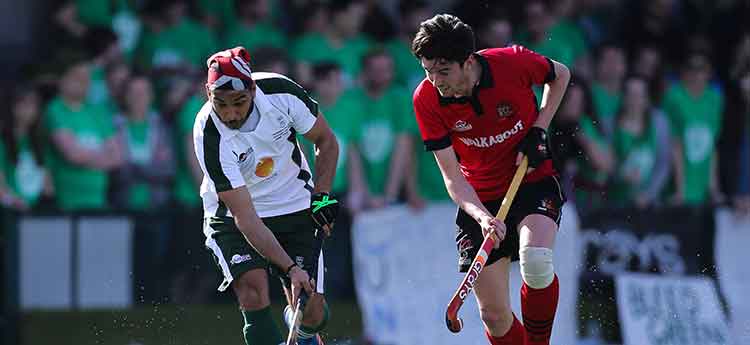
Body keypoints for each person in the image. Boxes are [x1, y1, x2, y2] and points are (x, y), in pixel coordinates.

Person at [411, 14, 570, 345]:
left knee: (537, 262)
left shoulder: (512, 63)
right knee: (494, 317)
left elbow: (560, 76)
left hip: (530, 180)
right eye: (428, 71)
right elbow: (453, 178)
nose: (435, 81)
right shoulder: (426, 99)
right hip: (479, 199)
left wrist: (540, 128)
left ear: (468, 61)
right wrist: (482, 216)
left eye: (443, 71)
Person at [192, 47, 339, 345]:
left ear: (253, 89)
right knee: (252, 292)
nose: (230, 114)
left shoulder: (282, 93)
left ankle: (304, 330)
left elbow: (326, 140)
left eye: (239, 102)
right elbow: (245, 218)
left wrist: (322, 196)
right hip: (235, 215)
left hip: (295, 203)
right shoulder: (209, 133)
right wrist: (291, 268)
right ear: (208, 92)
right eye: (220, 103)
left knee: (313, 315)